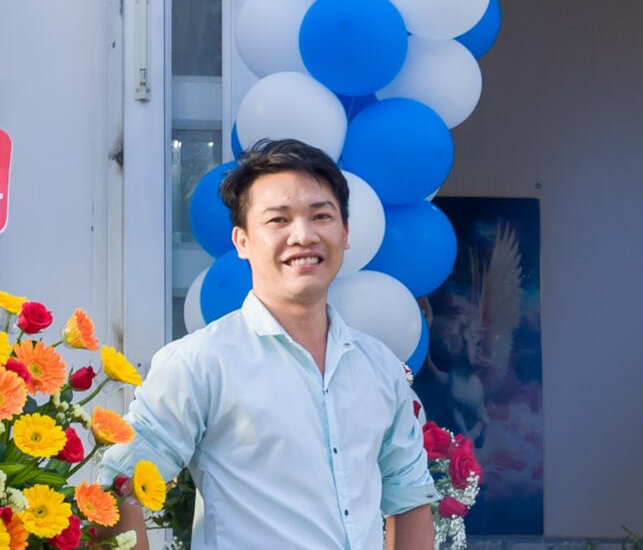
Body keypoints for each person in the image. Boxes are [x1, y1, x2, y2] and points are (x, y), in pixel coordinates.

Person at [98, 138, 438, 549]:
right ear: (241, 241)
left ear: (346, 233)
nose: (303, 235)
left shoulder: (379, 366)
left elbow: (409, 497)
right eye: (278, 219)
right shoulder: (201, 363)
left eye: (321, 216)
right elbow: (117, 486)